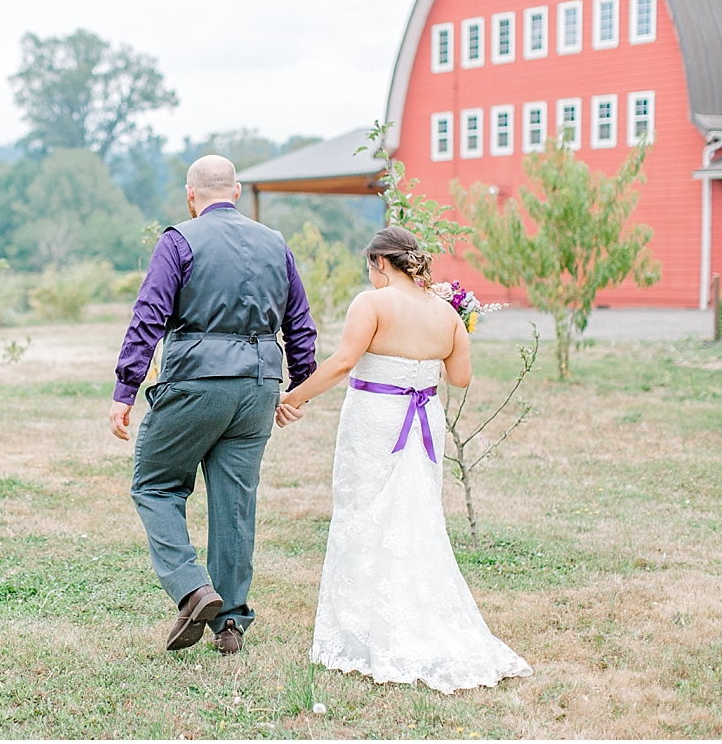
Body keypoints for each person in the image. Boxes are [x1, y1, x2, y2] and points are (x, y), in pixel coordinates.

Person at [276, 226, 532, 693]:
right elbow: (461, 378)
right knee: (417, 516)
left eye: (370, 268)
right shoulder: (448, 314)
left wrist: (292, 398)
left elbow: (339, 363)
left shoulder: (370, 304)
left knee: (364, 512)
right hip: (424, 419)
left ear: (380, 263)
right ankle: (415, 619)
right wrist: (453, 337)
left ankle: (361, 629)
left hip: (376, 418)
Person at [109, 154, 317, 656]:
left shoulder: (178, 240)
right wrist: (299, 385)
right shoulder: (275, 243)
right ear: (238, 191)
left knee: (155, 484)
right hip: (260, 384)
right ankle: (230, 625)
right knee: (235, 503)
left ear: (190, 195)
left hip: (197, 380)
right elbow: (300, 321)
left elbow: (149, 317)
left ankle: (192, 587)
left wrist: (125, 390)